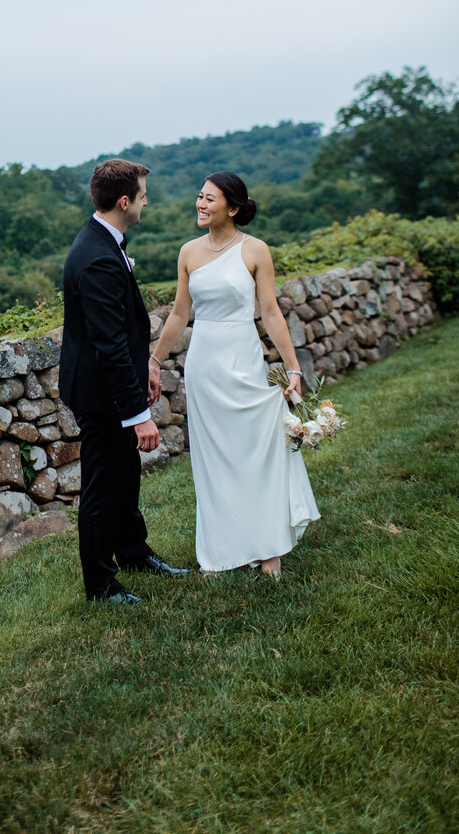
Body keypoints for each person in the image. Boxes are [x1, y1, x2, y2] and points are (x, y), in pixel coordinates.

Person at [149, 171, 319, 579]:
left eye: (210, 199)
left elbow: (271, 312)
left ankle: (268, 548)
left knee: (256, 450)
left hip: (243, 359)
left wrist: (292, 367)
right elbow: (179, 314)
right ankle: (221, 551)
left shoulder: (256, 250)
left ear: (234, 207)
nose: (201, 205)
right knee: (213, 459)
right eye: (199, 197)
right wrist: (153, 360)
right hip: (204, 365)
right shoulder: (188, 251)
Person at [59, 158, 189, 605]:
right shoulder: (96, 257)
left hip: (115, 386)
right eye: (143, 194)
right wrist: (138, 416)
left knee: (126, 475)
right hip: (99, 395)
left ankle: (133, 552)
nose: (147, 201)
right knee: (101, 489)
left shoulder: (106, 240)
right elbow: (109, 344)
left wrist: (144, 374)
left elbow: (121, 335)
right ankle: (100, 583)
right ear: (123, 201)